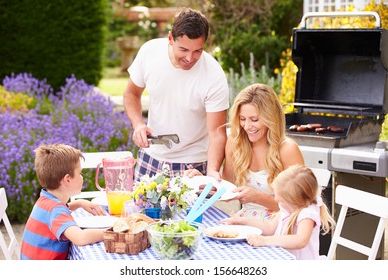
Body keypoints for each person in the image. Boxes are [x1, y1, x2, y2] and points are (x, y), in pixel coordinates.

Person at [123, 8, 229, 181]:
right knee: (138, 209)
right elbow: (131, 94)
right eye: (184, 49)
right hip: (151, 158)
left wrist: (212, 172)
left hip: (193, 165)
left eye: (198, 51)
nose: (189, 58)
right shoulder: (149, 52)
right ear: (171, 38)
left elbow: (217, 133)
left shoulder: (214, 75)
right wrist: (138, 125)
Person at [185, 83, 304, 219]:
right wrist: (203, 183)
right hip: (247, 222)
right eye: (242, 119)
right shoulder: (235, 142)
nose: (247, 126)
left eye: (254, 119)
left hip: (281, 225)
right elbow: (227, 190)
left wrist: (259, 198)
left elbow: (299, 207)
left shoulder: (287, 149)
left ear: (271, 118)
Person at [221, 164, 335, 260]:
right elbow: (270, 228)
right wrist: (242, 221)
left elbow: (300, 240)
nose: (276, 200)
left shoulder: (307, 214)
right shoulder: (288, 208)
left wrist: (266, 241)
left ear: (295, 201)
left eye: (281, 200)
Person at [20, 144, 106, 260]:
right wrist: (111, 232)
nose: (82, 177)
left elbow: (56, 215)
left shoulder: (46, 200)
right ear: (67, 179)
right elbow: (80, 238)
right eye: (80, 173)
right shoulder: (56, 210)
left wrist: (79, 203)